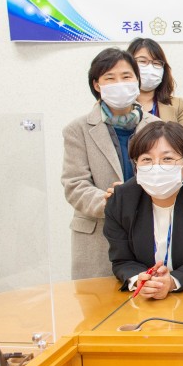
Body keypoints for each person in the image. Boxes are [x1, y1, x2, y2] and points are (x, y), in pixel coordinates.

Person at [61, 48, 158, 279]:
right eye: (110, 78)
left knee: (148, 295)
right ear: (97, 84)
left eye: (126, 76)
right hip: (97, 236)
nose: (119, 84)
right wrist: (108, 201)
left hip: (148, 229)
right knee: (98, 300)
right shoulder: (78, 129)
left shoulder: (157, 126)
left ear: (137, 80)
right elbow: (74, 184)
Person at [103, 121, 183, 298]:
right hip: (142, 298)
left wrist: (173, 281)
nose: (156, 167)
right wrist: (140, 279)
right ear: (136, 165)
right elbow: (121, 259)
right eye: (147, 160)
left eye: (167, 159)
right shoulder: (121, 199)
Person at [127, 38, 183, 139]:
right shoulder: (116, 105)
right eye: (142, 61)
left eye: (156, 63)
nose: (150, 68)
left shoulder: (178, 105)